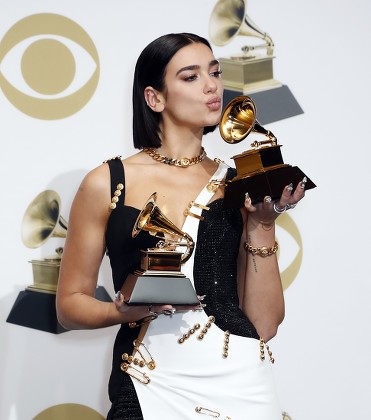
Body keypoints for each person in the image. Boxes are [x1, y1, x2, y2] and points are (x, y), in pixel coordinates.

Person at [56, 32, 306, 420]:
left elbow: (264, 323)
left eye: (215, 72)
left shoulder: (237, 183)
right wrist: (122, 312)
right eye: (190, 77)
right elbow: (69, 306)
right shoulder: (106, 181)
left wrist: (263, 223)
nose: (212, 86)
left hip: (241, 384)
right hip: (150, 375)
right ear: (154, 97)